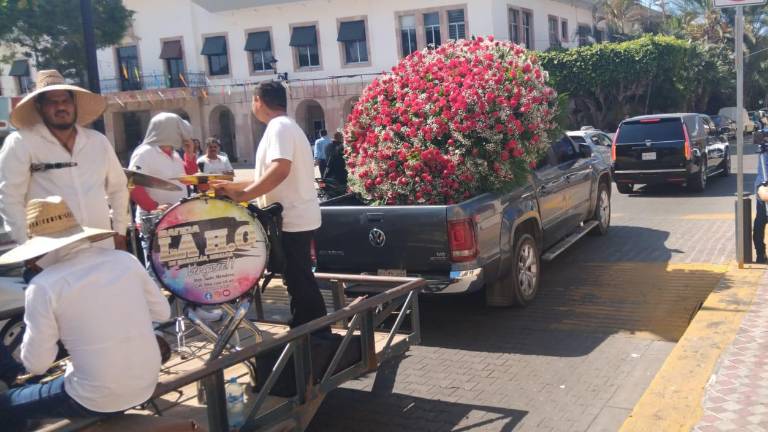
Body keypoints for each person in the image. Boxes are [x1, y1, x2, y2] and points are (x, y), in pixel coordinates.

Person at [0, 196, 170, 431]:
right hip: (146, 381)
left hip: (97, 397)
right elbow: (163, 312)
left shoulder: (44, 286)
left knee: (6, 404)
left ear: (38, 250)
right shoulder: (126, 260)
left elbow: (37, 365)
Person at [212, 81, 328, 331]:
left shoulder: (279, 127)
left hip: (292, 218)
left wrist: (243, 194)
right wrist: (232, 187)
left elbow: (280, 170)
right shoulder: (284, 127)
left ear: (258, 101)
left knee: (300, 281)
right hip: (293, 217)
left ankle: (315, 334)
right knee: (298, 279)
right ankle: (309, 330)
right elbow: (267, 175)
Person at [0, 70, 130, 253]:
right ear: (39, 106)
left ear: (74, 104)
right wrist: (26, 245)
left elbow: (118, 188)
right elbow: (9, 198)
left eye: (65, 101)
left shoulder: (97, 141)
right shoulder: (21, 143)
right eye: (52, 102)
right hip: (50, 254)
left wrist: (120, 231)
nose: (61, 107)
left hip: (101, 248)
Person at [129, 113, 221, 322]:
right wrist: (152, 206)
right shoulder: (144, 153)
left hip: (178, 218)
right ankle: (151, 319)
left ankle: (196, 309)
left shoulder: (175, 154)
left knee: (188, 267)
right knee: (156, 271)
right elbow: (133, 183)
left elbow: (190, 176)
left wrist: (189, 155)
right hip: (154, 220)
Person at [755, 144, 768, 264]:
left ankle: (760, 253)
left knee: (760, 221)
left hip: (763, 186)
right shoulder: (764, 152)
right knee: (760, 221)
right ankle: (760, 253)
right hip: (764, 188)